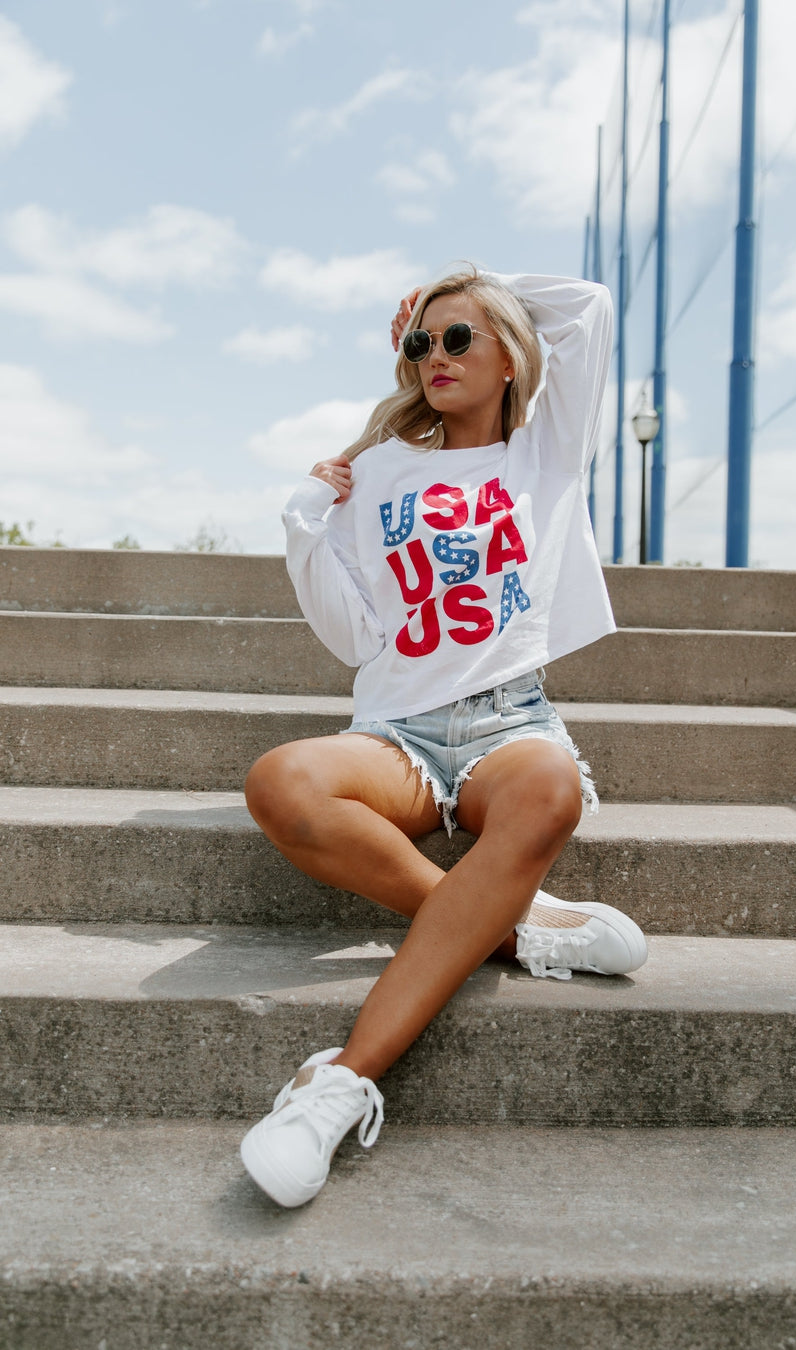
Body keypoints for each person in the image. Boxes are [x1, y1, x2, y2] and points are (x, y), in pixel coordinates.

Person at [240, 266, 647, 1208]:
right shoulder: (381, 470)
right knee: (281, 782)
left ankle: (339, 1081)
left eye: (460, 338)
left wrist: (460, 283)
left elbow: (587, 306)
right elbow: (354, 636)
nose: (435, 356)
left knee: (549, 788)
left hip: (511, 722)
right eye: (421, 342)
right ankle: (510, 926)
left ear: (510, 358)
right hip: (400, 735)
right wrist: (305, 523)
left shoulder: (545, 453)